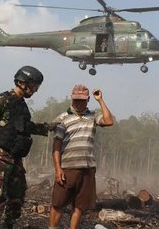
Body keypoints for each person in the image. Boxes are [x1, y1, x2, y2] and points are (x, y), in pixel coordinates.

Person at [0, 65, 49, 229]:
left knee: (17, 197)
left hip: (15, 157)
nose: (35, 91)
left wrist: (46, 128)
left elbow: (25, 127)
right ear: (23, 83)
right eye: (34, 86)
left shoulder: (21, 105)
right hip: (1, 156)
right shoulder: (2, 100)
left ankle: (8, 225)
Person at [48, 84, 114, 229]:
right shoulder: (62, 118)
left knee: (79, 206)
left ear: (88, 100)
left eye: (82, 100)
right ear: (72, 99)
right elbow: (56, 146)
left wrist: (100, 100)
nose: (78, 103)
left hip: (87, 169)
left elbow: (109, 121)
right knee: (58, 204)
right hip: (68, 169)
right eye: (76, 100)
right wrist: (58, 169)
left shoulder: (93, 117)